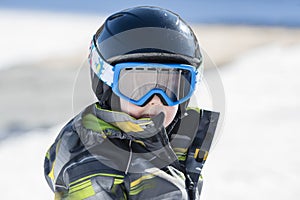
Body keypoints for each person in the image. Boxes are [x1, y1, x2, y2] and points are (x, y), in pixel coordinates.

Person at [44, 6, 219, 200]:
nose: (155, 101)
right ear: (106, 85)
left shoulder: (168, 143)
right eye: (138, 87)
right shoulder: (95, 167)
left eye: (171, 88)